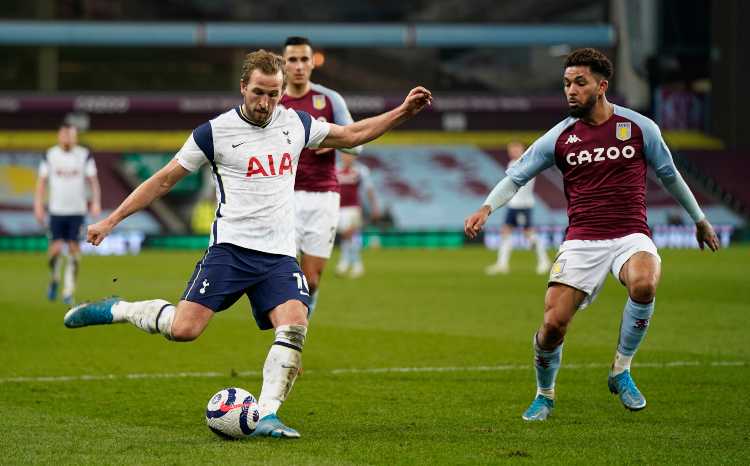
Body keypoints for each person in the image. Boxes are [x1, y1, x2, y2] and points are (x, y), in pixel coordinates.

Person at [63, 50, 431, 438]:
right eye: (258, 92)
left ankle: (268, 415)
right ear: (243, 87)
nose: (265, 102)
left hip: (278, 255)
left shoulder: (296, 124)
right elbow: (164, 179)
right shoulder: (214, 132)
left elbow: (352, 134)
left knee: (294, 326)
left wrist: (403, 112)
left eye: (274, 94)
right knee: (184, 330)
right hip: (230, 251)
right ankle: (119, 308)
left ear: (283, 91)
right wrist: (110, 219)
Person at [464, 48, 719, 421]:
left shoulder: (639, 128)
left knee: (644, 283)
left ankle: (621, 369)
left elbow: (670, 175)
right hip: (582, 239)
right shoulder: (560, 137)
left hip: (631, 233)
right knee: (552, 326)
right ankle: (544, 395)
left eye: (579, 83)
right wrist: (486, 207)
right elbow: (516, 176)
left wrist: (699, 219)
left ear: (601, 86)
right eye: (567, 83)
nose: (570, 90)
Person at [280, 36, 363, 314]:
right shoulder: (274, 101)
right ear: (284, 63)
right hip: (283, 198)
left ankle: (302, 319)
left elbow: (357, 142)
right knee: (286, 280)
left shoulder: (329, 99)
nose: (299, 65)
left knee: (311, 280)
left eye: (305, 59)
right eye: (293, 59)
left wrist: (327, 141)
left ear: (312, 63)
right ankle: (289, 342)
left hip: (323, 196)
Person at [34, 124, 101, 306]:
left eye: (70, 135)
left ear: (75, 137)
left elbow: (93, 181)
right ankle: (55, 278)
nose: (67, 138)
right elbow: (42, 182)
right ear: (59, 136)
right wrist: (38, 205)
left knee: (73, 249)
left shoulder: (84, 155)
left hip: (77, 211)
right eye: (64, 134)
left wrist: (96, 202)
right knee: (55, 250)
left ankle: (68, 291)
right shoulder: (50, 155)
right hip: (56, 211)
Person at [485, 141, 551, 276]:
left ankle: (544, 261)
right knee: (506, 232)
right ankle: (502, 264)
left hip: (522, 205)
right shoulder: (512, 164)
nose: (513, 151)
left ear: (522, 150)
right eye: (511, 149)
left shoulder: (527, 163)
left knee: (529, 234)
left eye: (516, 149)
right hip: (513, 205)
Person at [335, 152, 380, 278]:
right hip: (339, 208)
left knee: (352, 235)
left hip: (354, 208)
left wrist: (374, 207)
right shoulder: (336, 169)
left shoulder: (361, 170)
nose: (347, 158)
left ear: (354, 156)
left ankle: (355, 264)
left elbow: (369, 189)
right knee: (345, 236)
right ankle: (347, 262)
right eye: (344, 155)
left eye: (349, 155)